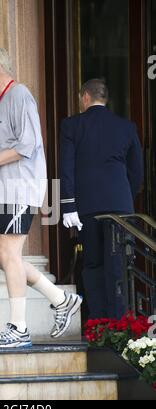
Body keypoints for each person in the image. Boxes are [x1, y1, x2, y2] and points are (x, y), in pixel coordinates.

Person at [0, 45, 82, 349]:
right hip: (4, 190)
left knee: (8, 253)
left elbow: (28, 144)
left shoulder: (19, 95)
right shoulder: (0, 102)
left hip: (19, 189)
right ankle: (62, 299)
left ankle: (18, 327)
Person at [60, 79, 144, 319]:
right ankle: (120, 322)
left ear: (85, 97)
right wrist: (126, 194)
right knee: (118, 266)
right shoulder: (126, 127)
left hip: (87, 206)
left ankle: (99, 324)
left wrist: (69, 205)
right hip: (120, 207)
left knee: (94, 264)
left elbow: (66, 168)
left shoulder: (71, 125)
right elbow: (136, 170)